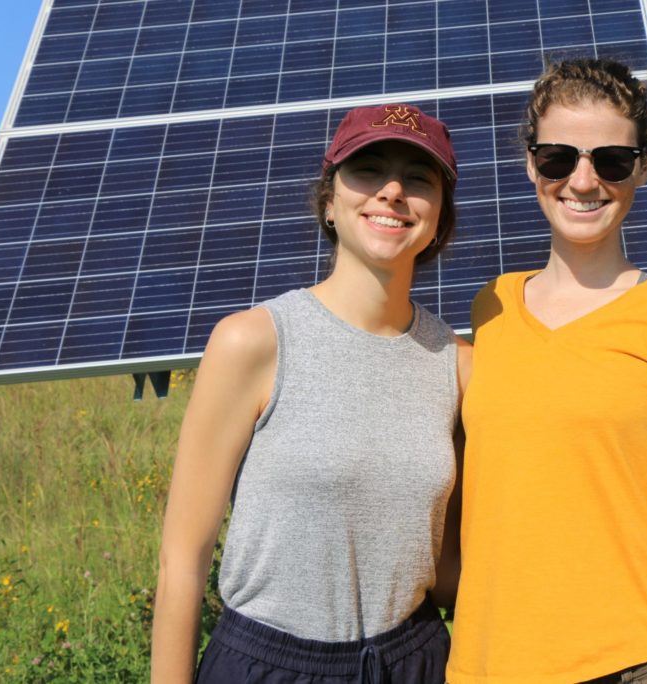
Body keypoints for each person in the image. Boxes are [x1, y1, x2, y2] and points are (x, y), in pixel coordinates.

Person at [447, 59, 647, 683]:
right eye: (559, 158)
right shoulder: (491, 310)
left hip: (638, 662)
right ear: (532, 163)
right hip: (489, 663)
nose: (583, 181)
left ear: (642, 166)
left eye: (611, 160)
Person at [150, 104, 470, 684]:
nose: (393, 191)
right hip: (268, 666)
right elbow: (182, 562)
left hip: (416, 659)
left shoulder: (459, 365)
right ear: (329, 200)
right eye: (368, 170)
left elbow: (447, 567)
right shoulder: (254, 342)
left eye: (418, 178)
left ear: (439, 216)